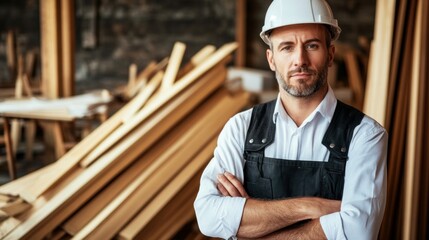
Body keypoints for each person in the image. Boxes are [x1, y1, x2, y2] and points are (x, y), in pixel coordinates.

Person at [194, 0, 387, 239]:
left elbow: (359, 232)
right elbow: (208, 216)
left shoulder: (365, 135)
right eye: (286, 47)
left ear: (330, 54)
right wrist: (310, 207)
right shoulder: (240, 129)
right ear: (271, 59)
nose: (300, 60)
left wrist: (249, 224)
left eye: (312, 45)